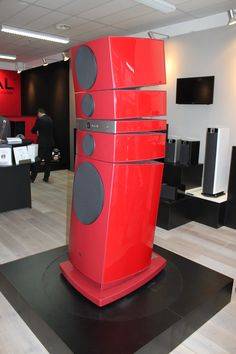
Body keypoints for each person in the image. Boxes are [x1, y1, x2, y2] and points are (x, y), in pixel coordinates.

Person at [30, 108, 54, 183]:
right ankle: (46, 178)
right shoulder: (50, 119)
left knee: (38, 161)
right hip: (50, 143)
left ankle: (32, 178)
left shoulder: (40, 120)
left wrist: (37, 131)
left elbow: (33, 130)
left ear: (39, 113)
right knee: (48, 162)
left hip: (42, 144)